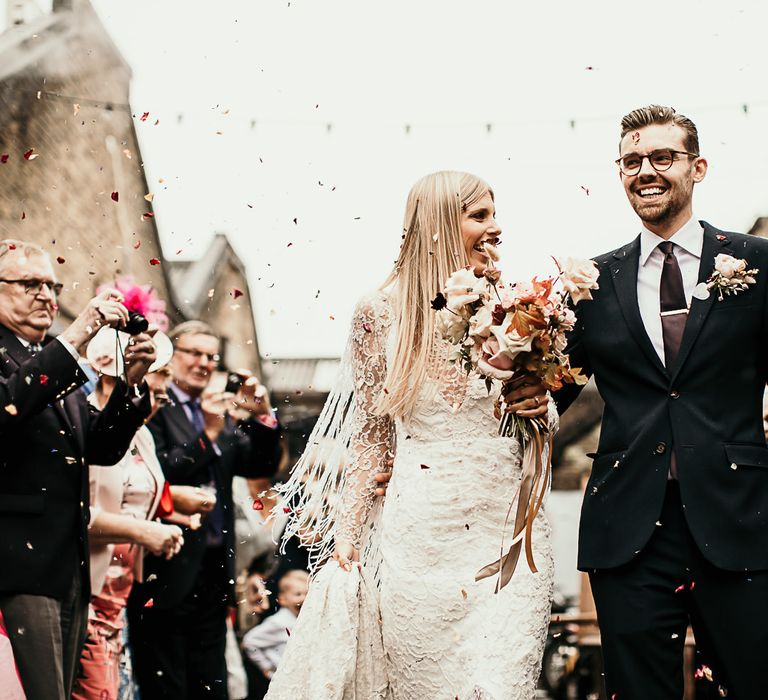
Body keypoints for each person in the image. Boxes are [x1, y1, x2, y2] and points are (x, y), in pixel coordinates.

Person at [268, 172, 553, 699]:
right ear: (443, 221)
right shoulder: (378, 312)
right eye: (480, 215)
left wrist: (541, 405)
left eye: (494, 213)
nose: (496, 227)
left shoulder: (515, 309)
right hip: (420, 535)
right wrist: (347, 547)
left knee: (501, 683)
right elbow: (372, 435)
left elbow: (536, 413)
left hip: (509, 529)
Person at [552, 105, 768, 699]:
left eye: (662, 158)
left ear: (697, 168)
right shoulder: (590, 283)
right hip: (629, 531)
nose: (645, 170)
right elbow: (549, 397)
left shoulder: (758, 264)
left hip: (740, 516)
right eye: (631, 161)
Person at [0, 239, 156, 700]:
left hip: (67, 564)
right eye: (30, 283)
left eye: (51, 284)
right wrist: (77, 336)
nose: (47, 295)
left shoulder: (51, 357)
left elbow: (100, 448)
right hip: (15, 563)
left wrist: (131, 384)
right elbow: (9, 406)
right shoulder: (51, 357)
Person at [127, 320, 283, 700]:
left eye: (211, 356)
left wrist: (262, 416)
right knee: (167, 684)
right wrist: (209, 436)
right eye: (193, 353)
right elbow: (158, 473)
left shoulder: (216, 410)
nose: (203, 363)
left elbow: (258, 466)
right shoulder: (155, 407)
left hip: (214, 570)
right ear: (173, 356)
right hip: (166, 569)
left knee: (211, 681)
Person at [72, 332, 216, 700]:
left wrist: (174, 510)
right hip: (88, 588)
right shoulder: (86, 425)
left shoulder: (143, 435)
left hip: (124, 594)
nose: (166, 389)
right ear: (123, 374)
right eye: (159, 375)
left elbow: (137, 496)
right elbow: (78, 514)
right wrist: (147, 531)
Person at [241, 570, 308, 681]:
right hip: (284, 677)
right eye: (298, 594)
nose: (304, 598)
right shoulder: (278, 622)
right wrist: (266, 668)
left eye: (307, 594)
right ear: (283, 599)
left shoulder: (304, 619)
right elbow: (249, 641)